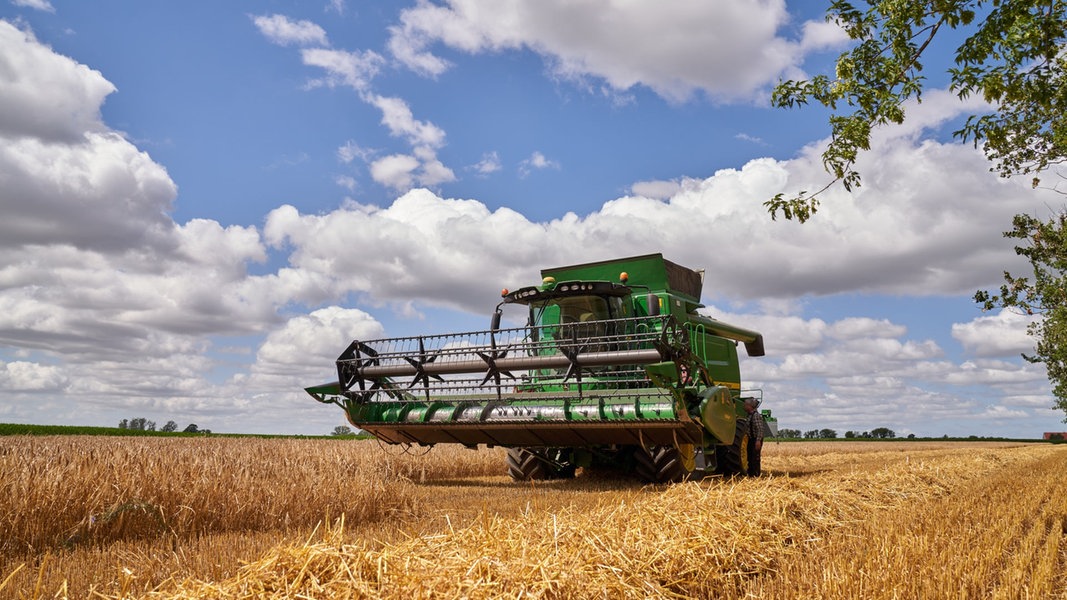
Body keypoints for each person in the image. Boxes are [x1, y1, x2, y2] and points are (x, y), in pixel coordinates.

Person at [743, 397, 764, 476]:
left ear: (749, 406)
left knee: (755, 458)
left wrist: (758, 441)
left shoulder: (756, 416)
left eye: (745, 405)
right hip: (751, 439)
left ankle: (756, 475)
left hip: (755, 440)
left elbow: (760, 429)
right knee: (750, 458)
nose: (744, 406)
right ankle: (751, 474)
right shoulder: (749, 415)